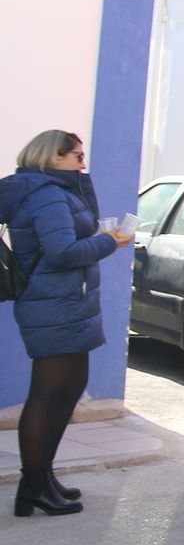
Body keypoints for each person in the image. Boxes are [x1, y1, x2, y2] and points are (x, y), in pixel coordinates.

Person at [1, 130, 130, 517]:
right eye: (76, 156)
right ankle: (33, 485)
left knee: (69, 387)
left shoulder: (55, 191)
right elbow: (61, 252)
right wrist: (110, 242)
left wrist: (84, 192)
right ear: (53, 158)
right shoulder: (46, 195)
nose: (82, 163)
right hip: (51, 305)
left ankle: (42, 477)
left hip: (65, 303)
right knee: (47, 393)